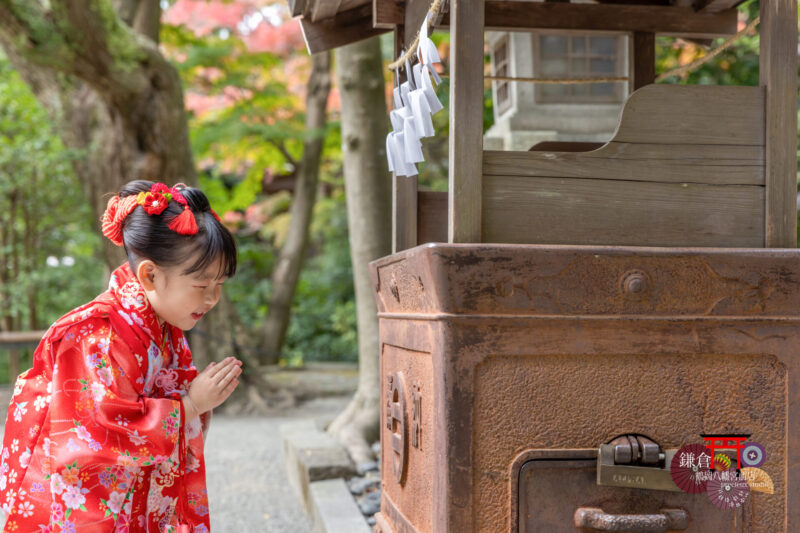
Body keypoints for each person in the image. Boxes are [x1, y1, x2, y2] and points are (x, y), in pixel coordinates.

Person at [0, 180, 243, 532]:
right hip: (89, 497)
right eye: (202, 285)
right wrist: (189, 405)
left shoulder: (162, 324)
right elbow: (97, 432)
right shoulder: (94, 335)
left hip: (135, 492)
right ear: (149, 275)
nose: (212, 299)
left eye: (220, 285)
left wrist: (197, 399)